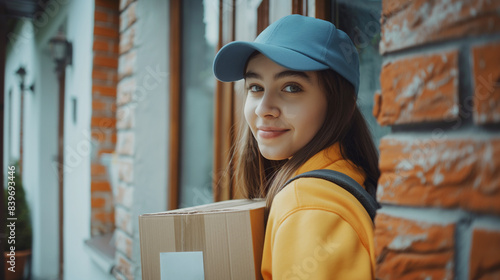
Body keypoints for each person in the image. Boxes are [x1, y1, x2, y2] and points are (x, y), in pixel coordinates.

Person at [213, 14, 379, 279]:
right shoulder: (347, 174)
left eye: (291, 87)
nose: (264, 109)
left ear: (338, 103)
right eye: (255, 87)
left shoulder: (309, 207)